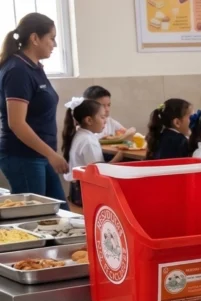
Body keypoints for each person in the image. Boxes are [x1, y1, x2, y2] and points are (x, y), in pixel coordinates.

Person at [0, 12, 67, 201]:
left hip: (40, 156)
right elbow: (17, 123)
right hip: (23, 157)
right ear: (35, 38)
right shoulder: (17, 70)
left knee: (61, 214)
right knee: (36, 219)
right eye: (52, 38)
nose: (54, 45)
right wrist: (51, 155)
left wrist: (49, 155)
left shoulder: (34, 67)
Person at [62, 98, 123, 206]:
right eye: (102, 117)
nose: (105, 121)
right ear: (89, 120)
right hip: (84, 192)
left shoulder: (80, 134)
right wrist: (119, 156)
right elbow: (98, 171)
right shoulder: (88, 141)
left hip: (76, 191)